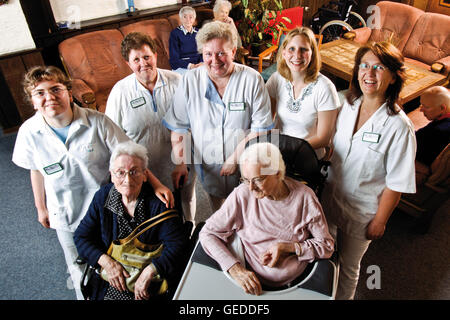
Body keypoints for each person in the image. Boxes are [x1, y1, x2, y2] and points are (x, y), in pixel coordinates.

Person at [12, 66, 172, 300]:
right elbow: (35, 170)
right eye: (40, 93)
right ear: (33, 101)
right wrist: (41, 207)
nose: (49, 98)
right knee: (78, 268)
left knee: (111, 261)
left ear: (68, 91)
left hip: (104, 210)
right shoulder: (28, 132)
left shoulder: (97, 122)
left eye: (56, 89)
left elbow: (131, 155)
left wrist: (156, 184)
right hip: (64, 211)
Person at [321, 41, 417, 300]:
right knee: (326, 258)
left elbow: (396, 183)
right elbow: (333, 147)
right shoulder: (348, 105)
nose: (369, 73)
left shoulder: (399, 127)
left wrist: (380, 221)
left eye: (379, 67)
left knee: (349, 269)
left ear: (394, 75)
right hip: (329, 199)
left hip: (362, 212)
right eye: (364, 66)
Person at [163, 21, 274, 214]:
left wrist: (235, 157)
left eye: (221, 53)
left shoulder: (252, 80)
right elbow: (179, 127)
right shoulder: (190, 80)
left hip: (246, 167)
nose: (214, 60)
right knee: (219, 213)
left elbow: (261, 128)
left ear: (233, 51)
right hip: (208, 163)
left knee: (248, 213)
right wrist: (181, 162)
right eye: (208, 54)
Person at [199, 142, 334, 295]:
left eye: (258, 180)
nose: (250, 188)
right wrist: (236, 269)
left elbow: (327, 246)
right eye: (245, 179)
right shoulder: (242, 194)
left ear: (277, 173)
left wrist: (289, 248)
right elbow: (207, 233)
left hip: (296, 285)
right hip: (247, 281)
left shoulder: (305, 198)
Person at [74, 141, 187, 300]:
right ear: (111, 175)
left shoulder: (160, 205)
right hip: (111, 279)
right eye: (120, 172)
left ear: (145, 175)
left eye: (134, 172)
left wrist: (151, 271)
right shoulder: (103, 197)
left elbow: (178, 245)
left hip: (149, 282)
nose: (127, 180)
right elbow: (81, 236)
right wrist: (107, 263)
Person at [105, 32, 197, 223]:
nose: (143, 63)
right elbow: (113, 139)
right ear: (128, 64)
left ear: (155, 56)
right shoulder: (120, 92)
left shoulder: (178, 82)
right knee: (155, 211)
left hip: (183, 160)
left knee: (186, 201)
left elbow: (193, 123)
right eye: (136, 59)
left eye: (146, 57)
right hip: (145, 169)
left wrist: (184, 162)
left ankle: (190, 232)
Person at [266, 27, 340, 159]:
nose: (297, 55)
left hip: (308, 156)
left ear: (312, 54)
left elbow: (323, 138)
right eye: (292, 49)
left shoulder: (325, 88)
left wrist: (290, 151)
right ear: (283, 53)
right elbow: (266, 120)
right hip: (279, 152)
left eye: (304, 49)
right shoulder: (276, 79)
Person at [414, 86, 450, 185]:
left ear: (442, 108)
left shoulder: (437, 132)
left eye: (426, 106)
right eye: (421, 105)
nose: (421, 110)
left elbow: (411, 148)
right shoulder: (442, 124)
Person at [169, 6, 203, 74]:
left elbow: (203, 51)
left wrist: (202, 63)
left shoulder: (199, 32)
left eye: (191, 17)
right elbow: (174, 58)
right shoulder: (175, 34)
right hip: (182, 66)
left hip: (198, 65)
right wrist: (190, 66)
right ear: (181, 18)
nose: (188, 20)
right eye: (185, 17)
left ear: (194, 19)